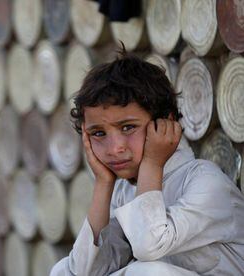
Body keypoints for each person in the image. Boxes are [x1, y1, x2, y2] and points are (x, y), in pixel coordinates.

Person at [50, 50, 244, 275]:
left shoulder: (204, 181)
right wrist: (103, 183)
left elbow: (148, 246)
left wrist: (152, 163)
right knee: (62, 270)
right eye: (99, 133)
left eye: (128, 127)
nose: (115, 148)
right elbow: (86, 269)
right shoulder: (123, 189)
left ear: (164, 123)